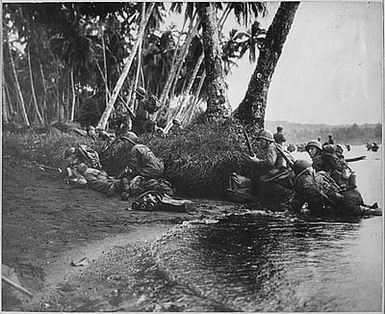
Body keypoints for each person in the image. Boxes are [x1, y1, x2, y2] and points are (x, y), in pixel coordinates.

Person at [290, 160, 381, 216]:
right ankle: (369, 207)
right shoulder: (321, 174)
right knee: (366, 210)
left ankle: (372, 210)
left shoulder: (304, 182)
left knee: (369, 212)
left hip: (345, 204)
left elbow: (313, 202)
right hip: (352, 194)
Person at [246, 130, 294, 206]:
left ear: (267, 141)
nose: (260, 143)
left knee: (263, 180)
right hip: (283, 170)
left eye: (262, 141)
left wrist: (257, 161)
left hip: (282, 171)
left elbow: (270, 162)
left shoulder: (271, 147)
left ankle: (283, 195)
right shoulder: (274, 146)